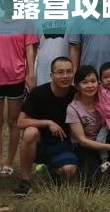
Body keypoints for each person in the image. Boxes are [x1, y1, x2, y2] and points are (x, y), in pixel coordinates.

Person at [0, 0, 39, 176]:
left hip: (17, 77)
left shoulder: (26, 23)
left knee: (13, 121)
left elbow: (29, 50)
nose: (11, 2)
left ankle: (9, 162)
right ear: (1, 2)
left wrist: (30, 74)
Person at [14, 57, 78, 197]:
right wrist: (48, 123)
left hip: (64, 143)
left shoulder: (76, 94)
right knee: (30, 132)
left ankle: (50, 169)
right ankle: (25, 180)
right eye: (60, 72)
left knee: (69, 170)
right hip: (40, 142)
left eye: (69, 72)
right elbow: (20, 122)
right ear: (51, 75)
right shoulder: (38, 93)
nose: (65, 76)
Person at [66, 66, 110, 183]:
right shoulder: (73, 108)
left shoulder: (103, 98)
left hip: (105, 141)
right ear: (77, 86)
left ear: (98, 82)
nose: (90, 85)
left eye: (93, 81)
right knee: (91, 180)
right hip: (85, 146)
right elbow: (82, 141)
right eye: (85, 82)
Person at [35, 0, 70, 86]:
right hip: (43, 75)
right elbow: (32, 49)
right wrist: (30, 75)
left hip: (67, 75)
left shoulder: (75, 17)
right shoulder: (35, 18)